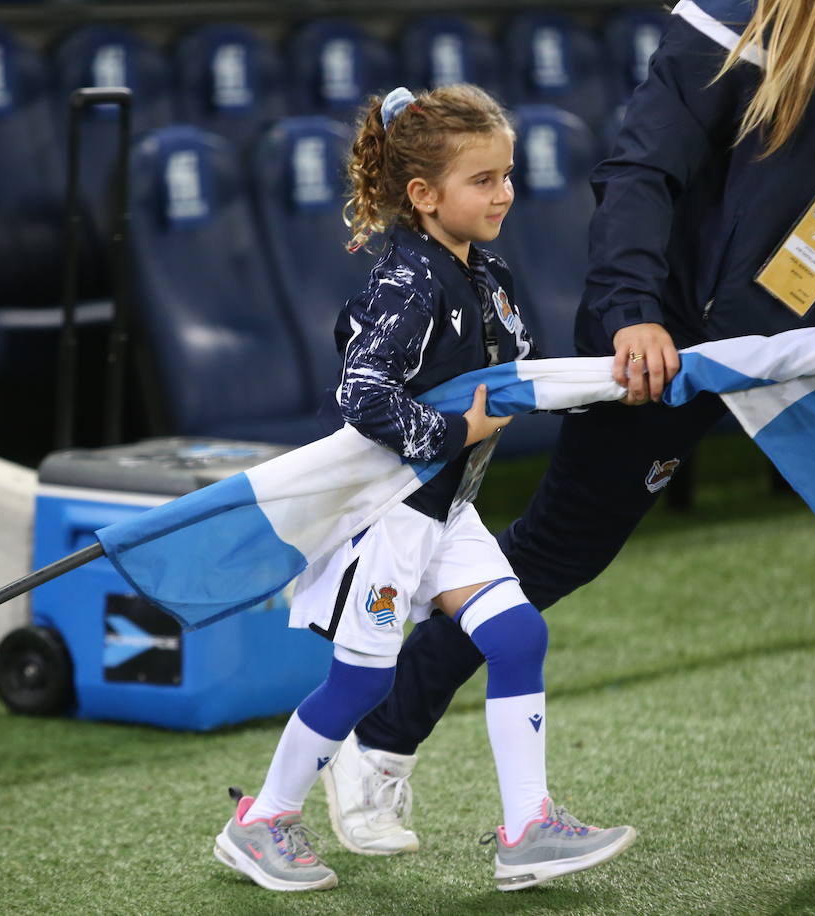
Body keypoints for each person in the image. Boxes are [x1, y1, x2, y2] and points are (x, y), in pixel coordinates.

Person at [323, 0, 815, 878]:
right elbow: (640, 169)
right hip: (672, 337)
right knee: (554, 552)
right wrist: (632, 313)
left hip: (807, 337)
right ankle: (379, 742)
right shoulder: (740, 17)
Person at [212, 84, 636, 893]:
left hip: (448, 510)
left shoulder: (486, 269)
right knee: (362, 682)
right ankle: (262, 819)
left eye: (508, 175)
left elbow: (514, 364)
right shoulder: (406, 283)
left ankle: (527, 830)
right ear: (423, 195)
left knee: (516, 639)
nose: (505, 193)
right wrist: (456, 433)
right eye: (484, 180)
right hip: (389, 519)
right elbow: (362, 394)